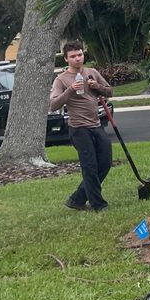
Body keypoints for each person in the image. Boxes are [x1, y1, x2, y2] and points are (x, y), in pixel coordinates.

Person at [49, 41, 114, 212]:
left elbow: (110, 91)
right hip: (78, 129)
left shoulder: (92, 72)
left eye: (80, 54)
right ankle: (98, 205)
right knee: (90, 166)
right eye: (73, 56)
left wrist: (97, 86)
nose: (77, 59)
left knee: (105, 162)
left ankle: (77, 199)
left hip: (96, 125)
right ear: (66, 59)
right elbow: (54, 104)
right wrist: (70, 90)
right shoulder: (61, 80)